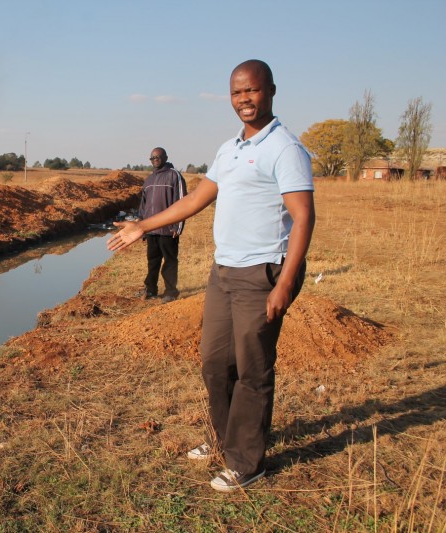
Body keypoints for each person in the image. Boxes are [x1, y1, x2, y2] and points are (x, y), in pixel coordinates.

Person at [108, 59, 315, 493]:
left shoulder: (286, 149)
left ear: (271, 91)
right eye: (237, 92)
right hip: (224, 271)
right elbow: (197, 200)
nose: (245, 99)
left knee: (254, 369)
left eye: (252, 91)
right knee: (216, 362)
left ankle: (247, 461)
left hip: (262, 272)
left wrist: (285, 283)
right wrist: (143, 225)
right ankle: (225, 439)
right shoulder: (229, 149)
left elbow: (303, 217)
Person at [137, 147, 187, 303]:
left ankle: (171, 292)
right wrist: (142, 227)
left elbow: (182, 202)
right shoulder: (149, 179)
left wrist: (177, 226)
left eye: (158, 157)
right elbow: (143, 206)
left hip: (168, 229)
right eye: (152, 158)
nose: (155, 159)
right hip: (152, 229)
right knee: (153, 261)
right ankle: (150, 289)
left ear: (165, 157)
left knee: (170, 261)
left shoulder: (174, 176)